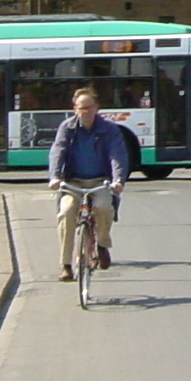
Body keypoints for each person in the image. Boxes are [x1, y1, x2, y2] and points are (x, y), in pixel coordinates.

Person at [48, 88, 130, 283]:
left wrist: (118, 180)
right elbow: (57, 151)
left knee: (103, 207)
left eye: (89, 107)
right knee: (66, 213)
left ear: (96, 108)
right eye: (81, 108)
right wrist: (55, 177)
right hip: (73, 181)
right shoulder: (67, 128)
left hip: (100, 180)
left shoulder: (109, 129)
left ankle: (101, 243)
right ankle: (66, 266)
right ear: (75, 109)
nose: (85, 111)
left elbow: (117, 155)